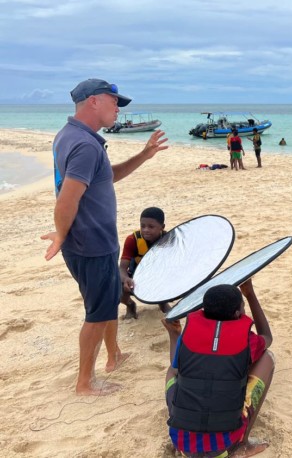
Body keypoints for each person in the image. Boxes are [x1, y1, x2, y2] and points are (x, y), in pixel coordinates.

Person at [41, 78, 168, 395]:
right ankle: (85, 383)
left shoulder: (73, 136)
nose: (118, 109)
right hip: (91, 244)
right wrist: (61, 234)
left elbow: (106, 176)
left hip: (93, 242)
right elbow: (67, 199)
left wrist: (143, 155)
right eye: (114, 102)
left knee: (109, 300)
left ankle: (114, 356)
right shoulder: (84, 145)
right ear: (94, 101)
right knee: (97, 314)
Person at [163, 279, 274, 457]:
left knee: (172, 371)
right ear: (238, 312)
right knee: (267, 358)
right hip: (223, 446)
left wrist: (174, 333)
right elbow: (267, 337)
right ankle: (241, 445)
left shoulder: (190, 334)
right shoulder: (247, 340)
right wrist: (250, 294)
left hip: (184, 445)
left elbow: (179, 369)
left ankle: (180, 427)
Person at [119, 207, 170, 319]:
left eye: (151, 227)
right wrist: (126, 279)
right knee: (117, 283)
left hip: (159, 275)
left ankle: (162, 302)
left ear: (162, 227)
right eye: (143, 226)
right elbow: (122, 268)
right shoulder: (133, 240)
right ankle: (130, 305)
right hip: (136, 277)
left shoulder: (169, 240)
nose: (146, 230)